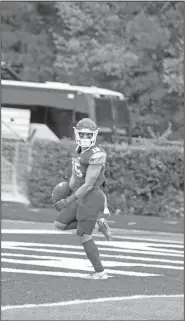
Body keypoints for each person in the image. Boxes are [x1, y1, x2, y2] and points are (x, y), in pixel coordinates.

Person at [53, 118, 112, 279]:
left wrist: (67, 200)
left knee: (84, 235)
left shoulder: (97, 154)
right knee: (59, 224)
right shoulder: (78, 150)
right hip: (79, 196)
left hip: (91, 197)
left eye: (88, 134)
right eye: (82, 134)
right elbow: (75, 177)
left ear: (95, 134)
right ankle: (95, 223)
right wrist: (66, 192)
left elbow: (88, 185)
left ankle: (100, 272)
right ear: (76, 133)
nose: (85, 137)